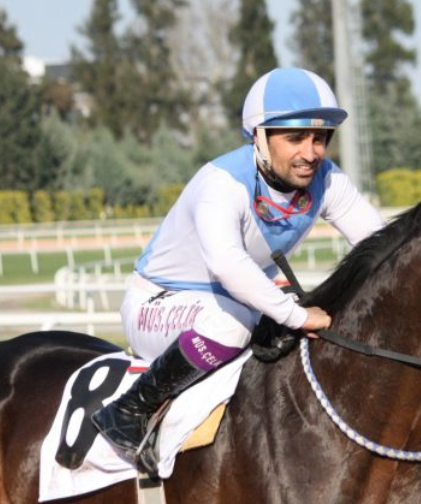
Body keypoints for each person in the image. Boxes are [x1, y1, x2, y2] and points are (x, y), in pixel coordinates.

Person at [91, 67, 385, 471]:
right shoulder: (222, 183)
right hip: (157, 302)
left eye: (320, 138)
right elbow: (228, 264)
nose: (311, 152)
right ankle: (130, 409)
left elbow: (379, 244)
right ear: (259, 137)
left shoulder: (327, 180)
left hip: (234, 300)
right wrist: (297, 315)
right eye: (295, 138)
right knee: (234, 325)